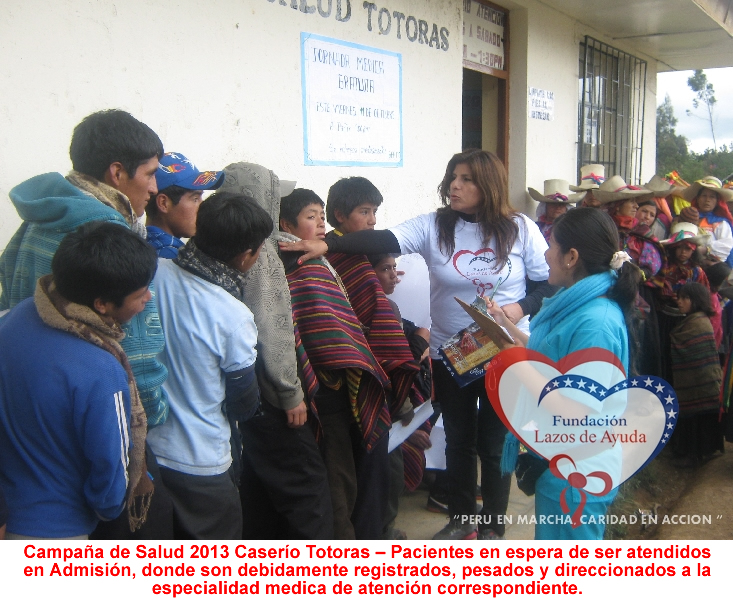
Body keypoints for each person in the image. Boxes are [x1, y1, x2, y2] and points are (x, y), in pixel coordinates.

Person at [282, 149, 553, 540]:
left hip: (503, 352)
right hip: (451, 354)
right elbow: (383, 238)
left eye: (466, 179)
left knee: (494, 444)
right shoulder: (434, 226)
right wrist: (330, 245)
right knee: (459, 441)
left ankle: (494, 526)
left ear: (488, 185)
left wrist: (518, 308)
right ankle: (462, 521)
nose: (454, 186)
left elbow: (547, 284)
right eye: (452, 177)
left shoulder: (520, 228)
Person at [0, 108, 168, 427]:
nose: (155, 188)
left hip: (27, 398)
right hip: (88, 412)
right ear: (117, 173)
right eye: (149, 174)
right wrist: (153, 413)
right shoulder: (108, 237)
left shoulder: (40, 218)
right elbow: (137, 349)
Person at [485, 208, 640, 540]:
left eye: (551, 245)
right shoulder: (578, 306)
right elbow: (550, 356)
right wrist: (504, 327)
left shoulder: (595, 322)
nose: (545, 254)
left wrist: (514, 359)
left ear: (571, 257)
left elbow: (576, 408)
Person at [0, 222, 158, 539]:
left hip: (11, 511)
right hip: (58, 530)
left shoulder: (19, 316)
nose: (148, 297)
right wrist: (109, 508)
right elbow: (111, 470)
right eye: (140, 293)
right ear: (101, 304)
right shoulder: (102, 370)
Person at [219, 165, 333, 540]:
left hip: (236, 387)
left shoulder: (215, 243)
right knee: (307, 485)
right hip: (269, 388)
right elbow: (273, 326)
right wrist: (289, 391)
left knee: (259, 479)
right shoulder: (262, 250)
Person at [147, 192, 268, 539]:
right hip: (202, 463)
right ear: (246, 256)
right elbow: (243, 402)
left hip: (150, 454)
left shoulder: (154, 273)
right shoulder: (233, 315)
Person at [279, 188, 394, 539]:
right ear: (285, 225)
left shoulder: (328, 257)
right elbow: (313, 325)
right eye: (310, 217)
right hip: (321, 387)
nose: (319, 224)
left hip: (339, 383)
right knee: (336, 475)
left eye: (320, 216)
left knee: (346, 472)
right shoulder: (298, 266)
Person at [369, 253, 433, 540]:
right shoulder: (380, 310)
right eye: (386, 269)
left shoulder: (393, 309)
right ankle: (382, 533)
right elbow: (393, 366)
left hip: (392, 411)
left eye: (395, 268)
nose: (395, 275)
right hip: (383, 411)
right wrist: (407, 418)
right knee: (389, 474)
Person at [670, 282, 724, 467]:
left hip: (702, 382)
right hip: (700, 382)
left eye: (685, 298)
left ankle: (697, 454)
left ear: (696, 300)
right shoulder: (692, 321)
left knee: (698, 419)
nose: (679, 301)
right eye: (679, 297)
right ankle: (698, 453)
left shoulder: (698, 323)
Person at [650, 222, 712, 382]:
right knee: (662, 351)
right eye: (680, 248)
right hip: (663, 317)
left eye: (687, 249)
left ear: (693, 250)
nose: (683, 252)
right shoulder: (663, 267)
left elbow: (704, 298)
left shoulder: (697, 272)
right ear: (673, 248)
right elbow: (654, 289)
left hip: (686, 321)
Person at [145, 152, 224, 258]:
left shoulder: (138, 244)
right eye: (195, 199)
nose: (203, 207)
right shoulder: (170, 258)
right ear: (163, 203)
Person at [679, 176, 733, 264]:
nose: (707, 200)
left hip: (710, 265)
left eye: (712, 197)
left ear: (717, 201)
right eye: (704, 196)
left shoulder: (720, 223)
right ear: (697, 199)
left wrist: (705, 249)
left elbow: (726, 245)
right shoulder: (688, 217)